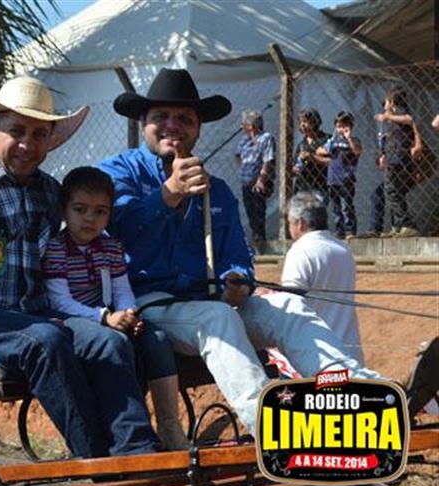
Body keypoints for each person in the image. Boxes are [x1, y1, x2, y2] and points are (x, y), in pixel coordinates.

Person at [99, 68, 383, 434]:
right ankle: (273, 427)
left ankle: (357, 399)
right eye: (161, 117)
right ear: (143, 122)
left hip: (209, 303)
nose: (173, 125)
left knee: (290, 307)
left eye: (184, 118)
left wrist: (238, 280)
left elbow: (237, 254)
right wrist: (168, 194)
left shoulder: (217, 190)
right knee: (217, 317)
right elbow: (116, 227)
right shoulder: (117, 172)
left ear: (198, 127)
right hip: (148, 306)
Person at [0, 76, 159, 458]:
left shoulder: (49, 192)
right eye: (17, 131)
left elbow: (78, 247)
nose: (27, 144)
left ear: (50, 139)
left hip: (34, 318)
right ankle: (97, 463)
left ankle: (137, 453)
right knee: (45, 340)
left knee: (110, 341)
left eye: (39, 134)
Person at [42, 166, 188, 450]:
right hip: (69, 320)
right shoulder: (57, 249)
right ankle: (126, 434)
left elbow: (122, 290)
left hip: (109, 316)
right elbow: (60, 301)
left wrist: (129, 313)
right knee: (116, 342)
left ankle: (169, 424)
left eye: (100, 212)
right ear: (64, 210)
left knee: (156, 339)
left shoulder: (110, 247)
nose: (89, 219)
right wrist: (105, 317)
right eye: (80, 209)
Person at [283, 192, 363, 363]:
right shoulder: (343, 249)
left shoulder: (301, 250)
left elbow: (291, 303)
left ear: (301, 223)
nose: (289, 229)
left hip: (318, 357)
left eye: (290, 223)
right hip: (350, 354)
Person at [373, 87, 420, 238]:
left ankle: (407, 224)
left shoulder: (400, 113)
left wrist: (388, 116)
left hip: (398, 158)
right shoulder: (392, 120)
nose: (385, 105)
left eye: (387, 101)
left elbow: (409, 119)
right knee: (395, 192)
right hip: (393, 158)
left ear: (392, 102)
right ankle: (399, 226)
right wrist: (383, 154)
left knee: (391, 191)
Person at [317, 111, 361, 239]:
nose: (341, 129)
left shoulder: (353, 141)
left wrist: (349, 138)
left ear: (350, 126)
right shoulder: (333, 141)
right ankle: (339, 230)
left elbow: (357, 151)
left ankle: (350, 230)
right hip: (332, 179)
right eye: (338, 126)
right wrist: (327, 147)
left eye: (344, 126)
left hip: (346, 179)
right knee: (336, 208)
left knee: (346, 206)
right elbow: (319, 151)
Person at [235, 109, 275, 247]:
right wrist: (244, 168)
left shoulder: (266, 138)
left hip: (259, 181)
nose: (241, 126)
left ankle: (260, 240)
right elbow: (238, 155)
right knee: (250, 211)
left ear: (251, 125)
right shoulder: (244, 140)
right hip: (246, 181)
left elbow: (268, 160)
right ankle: (255, 238)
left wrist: (261, 180)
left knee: (258, 211)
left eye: (244, 123)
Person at [292, 108, 329, 196]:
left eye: (305, 121)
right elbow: (294, 165)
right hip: (301, 188)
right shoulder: (301, 144)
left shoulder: (326, 140)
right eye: (301, 122)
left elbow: (333, 162)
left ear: (314, 122)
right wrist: (295, 169)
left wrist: (312, 157)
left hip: (320, 187)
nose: (302, 125)